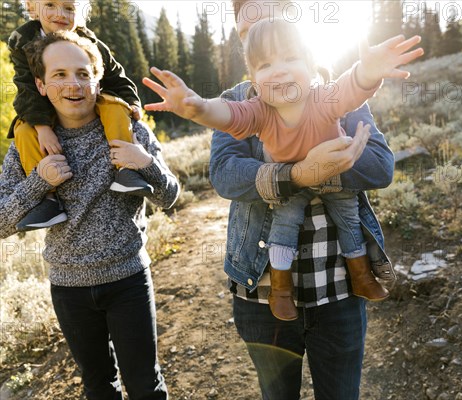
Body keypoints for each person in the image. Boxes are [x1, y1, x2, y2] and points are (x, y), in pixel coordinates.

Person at [143, 18, 422, 321]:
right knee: (283, 227)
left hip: (334, 180)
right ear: (253, 80)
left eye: (290, 58)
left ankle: (362, 277)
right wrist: (197, 108)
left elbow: (350, 89)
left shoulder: (323, 97)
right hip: (290, 184)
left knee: (349, 219)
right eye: (264, 65)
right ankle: (281, 290)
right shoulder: (258, 111)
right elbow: (227, 115)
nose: (279, 69)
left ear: (311, 64)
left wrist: (367, 72)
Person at [0, 31, 179, 399]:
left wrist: (146, 165)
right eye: (60, 74)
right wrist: (37, 182)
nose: (73, 84)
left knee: (146, 386)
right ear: (41, 84)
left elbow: (170, 196)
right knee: (99, 387)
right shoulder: (27, 146)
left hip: (128, 280)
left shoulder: (128, 130)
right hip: (69, 289)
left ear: (98, 81)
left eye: (83, 73)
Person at [7, 0, 152, 232]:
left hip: (90, 102)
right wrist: (42, 127)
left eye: (69, 8)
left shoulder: (89, 40)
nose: (60, 14)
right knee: (24, 130)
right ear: (32, 7)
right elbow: (26, 87)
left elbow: (116, 76)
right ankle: (48, 200)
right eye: (50, 5)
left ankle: (126, 171)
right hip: (45, 107)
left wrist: (133, 104)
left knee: (115, 107)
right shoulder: (22, 41)